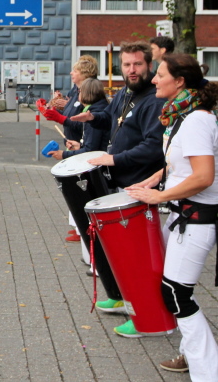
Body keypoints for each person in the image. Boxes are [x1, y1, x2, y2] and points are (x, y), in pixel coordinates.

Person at [125, 54, 218, 377]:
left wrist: (159, 196)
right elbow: (180, 163)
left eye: (160, 74)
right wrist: (153, 179)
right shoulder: (183, 114)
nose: (153, 79)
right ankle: (192, 353)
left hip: (196, 218)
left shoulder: (196, 120)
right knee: (173, 288)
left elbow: (204, 176)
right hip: (184, 217)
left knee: (176, 292)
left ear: (179, 82)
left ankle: (207, 371)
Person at [72, 40, 167, 337]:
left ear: (149, 65)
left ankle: (146, 315)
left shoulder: (154, 100)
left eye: (137, 64)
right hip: (121, 182)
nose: (132, 69)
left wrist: (114, 159)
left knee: (138, 257)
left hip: (140, 185)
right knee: (120, 253)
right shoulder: (125, 93)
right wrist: (93, 117)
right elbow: (112, 120)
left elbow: (153, 147)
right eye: (127, 64)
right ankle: (123, 297)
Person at [41, 55, 99, 243]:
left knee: (80, 186)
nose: (71, 73)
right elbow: (70, 114)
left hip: (80, 145)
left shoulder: (89, 93)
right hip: (73, 142)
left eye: (75, 70)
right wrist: (54, 110)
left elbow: (78, 120)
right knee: (74, 186)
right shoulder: (76, 91)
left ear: (84, 73)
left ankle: (83, 227)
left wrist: (60, 118)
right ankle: (78, 226)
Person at [49, 78, 110, 160]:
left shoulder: (93, 115)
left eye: (80, 92)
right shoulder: (98, 109)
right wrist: (80, 146)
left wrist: (64, 154)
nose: (78, 94)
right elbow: (93, 144)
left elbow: (91, 150)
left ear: (85, 94)